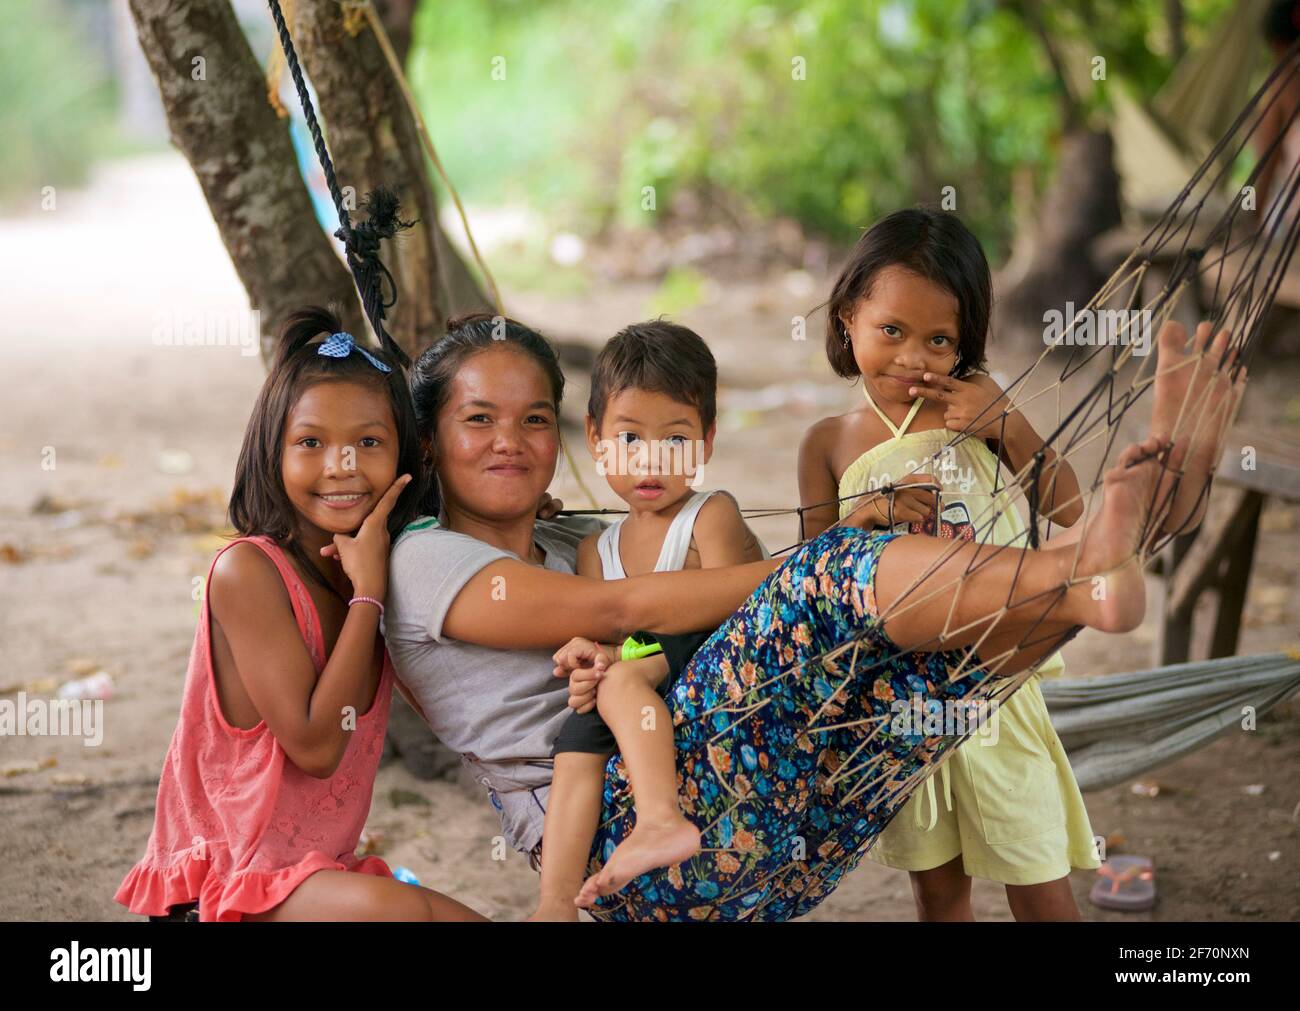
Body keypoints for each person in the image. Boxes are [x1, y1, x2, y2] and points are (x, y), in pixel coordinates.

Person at [384, 309, 1241, 921]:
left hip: (776, 833)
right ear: (429, 441)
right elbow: (626, 604)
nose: (512, 439)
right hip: (620, 850)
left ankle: (1128, 541)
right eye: (478, 420)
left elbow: (651, 601)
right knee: (829, 574)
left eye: (535, 418)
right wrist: (816, 556)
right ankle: (1076, 561)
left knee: (926, 681)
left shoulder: (572, 532)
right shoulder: (426, 558)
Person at [114, 307, 484, 922]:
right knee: (399, 912)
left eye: (368, 442)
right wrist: (367, 597)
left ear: (406, 457)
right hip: (225, 893)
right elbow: (315, 746)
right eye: (311, 443)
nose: (341, 466)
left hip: (313, 881)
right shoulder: (248, 573)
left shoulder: (392, 562)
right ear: (273, 450)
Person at [798, 207, 1100, 921]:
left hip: (998, 680)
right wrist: (861, 519)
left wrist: (1010, 426)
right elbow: (808, 579)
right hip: (898, 695)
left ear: (966, 339)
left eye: (940, 339)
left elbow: (1069, 505)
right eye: (892, 331)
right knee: (939, 890)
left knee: (1038, 869)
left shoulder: (979, 408)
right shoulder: (828, 442)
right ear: (847, 318)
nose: (914, 358)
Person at [532, 320, 767, 919]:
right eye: (631, 438)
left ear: (708, 442)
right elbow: (601, 636)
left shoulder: (709, 515)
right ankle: (555, 905)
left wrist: (619, 663)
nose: (652, 459)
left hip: (715, 667)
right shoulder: (595, 551)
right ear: (595, 437)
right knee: (576, 735)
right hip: (637, 680)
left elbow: (735, 615)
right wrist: (584, 660)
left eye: (677, 439)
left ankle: (660, 818)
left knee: (620, 678)